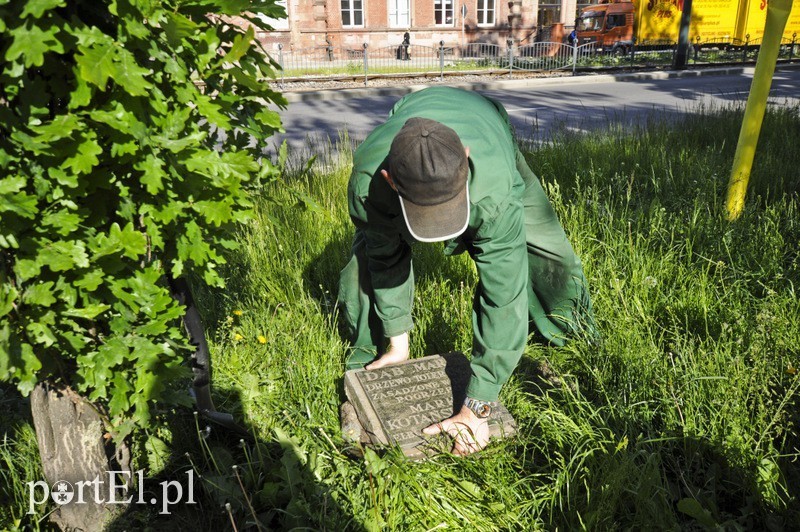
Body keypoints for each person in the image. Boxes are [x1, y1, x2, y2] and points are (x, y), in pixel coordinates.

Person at [338, 86, 597, 455]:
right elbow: (386, 257)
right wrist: (399, 340)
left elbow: (502, 293)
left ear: (467, 159)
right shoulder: (368, 186)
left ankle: (571, 331)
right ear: (391, 181)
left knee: (549, 252)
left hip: (486, 123)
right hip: (412, 122)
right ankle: (371, 356)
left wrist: (478, 404)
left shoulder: (493, 187)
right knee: (361, 269)